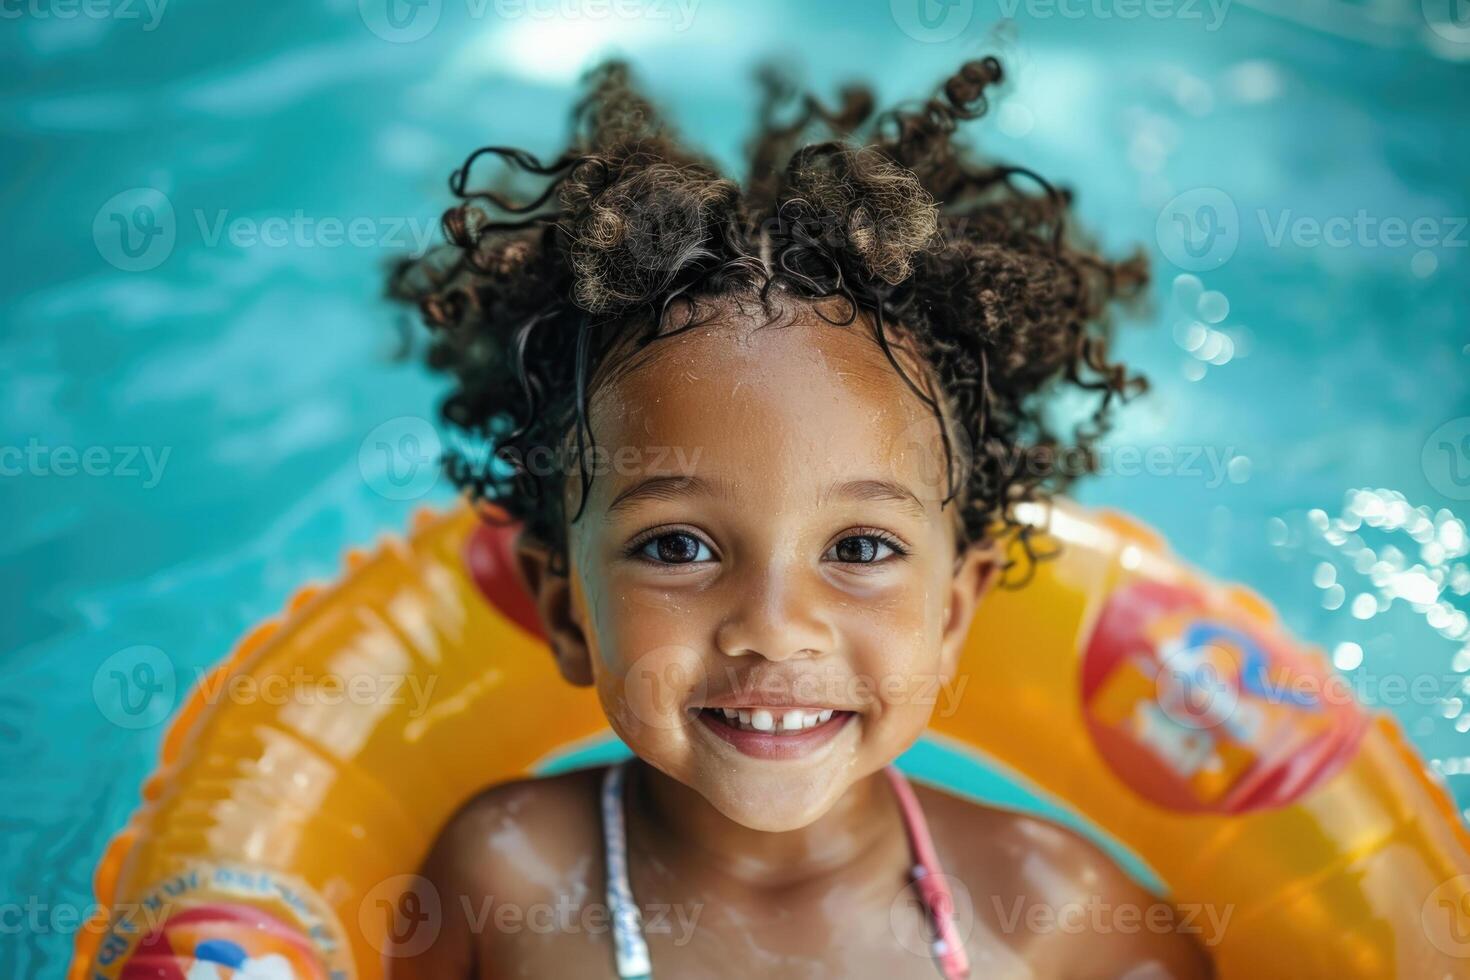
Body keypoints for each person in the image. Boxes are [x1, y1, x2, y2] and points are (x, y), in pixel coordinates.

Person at [385, 57, 1214, 979]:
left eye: (861, 546)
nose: (775, 630)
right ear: (564, 607)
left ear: (952, 610)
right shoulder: (505, 882)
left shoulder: (1058, 917)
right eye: (677, 545)